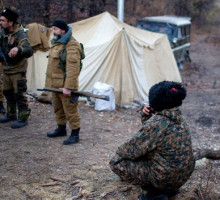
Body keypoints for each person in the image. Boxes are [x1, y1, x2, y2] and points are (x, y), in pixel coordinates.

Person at [109, 81, 195, 200]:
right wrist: (147, 116)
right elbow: (156, 136)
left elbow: (129, 150)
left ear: (154, 102)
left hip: (164, 178)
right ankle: (169, 190)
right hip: (182, 177)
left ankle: (154, 193)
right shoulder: (179, 118)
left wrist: (127, 154)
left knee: (116, 162)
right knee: (148, 151)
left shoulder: (157, 124)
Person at [45, 19, 81, 145]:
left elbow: (73, 68)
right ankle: (61, 129)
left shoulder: (71, 45)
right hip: (55, 84)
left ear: (63, 30)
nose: (52, 31)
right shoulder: (57, 43)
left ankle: (75, 134)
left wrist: (69, 87)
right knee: (58, 109)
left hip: (66, 85)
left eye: (55, 29)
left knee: (70, 111)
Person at [0, 8, 33, 128]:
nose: (0, 22)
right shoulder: (3, 33)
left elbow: (29, 51)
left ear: (10, 22)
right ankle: (11, 114)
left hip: (17, 70)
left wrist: (19, 49)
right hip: (6, 69)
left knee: (19, 94)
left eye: (3, 20)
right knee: (8, 93)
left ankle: (23, 118)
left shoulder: (20, 34)